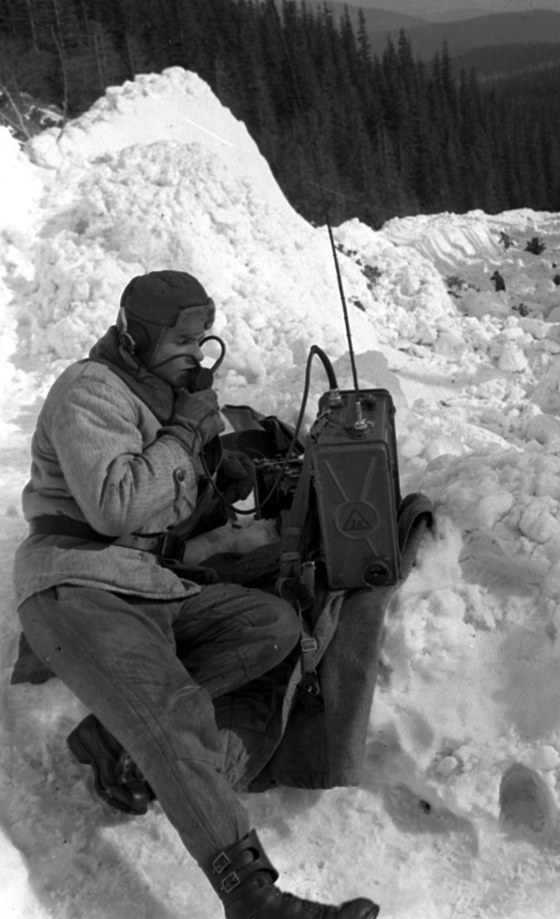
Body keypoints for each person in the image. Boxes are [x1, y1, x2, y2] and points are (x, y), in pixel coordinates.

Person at [11, 271, 379, 919]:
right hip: (78, 582)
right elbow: (115, 503)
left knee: (271, 625)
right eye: (182, 339)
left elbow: (168, 516)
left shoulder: (162, 399)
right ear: (135, 335)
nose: (196, 353)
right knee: (175, 709)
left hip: (147, 585)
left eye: (202, 338)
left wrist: (214, 482)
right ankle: (253, 898)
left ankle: (114, 736)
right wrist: (183, 437)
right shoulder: (90, 389)